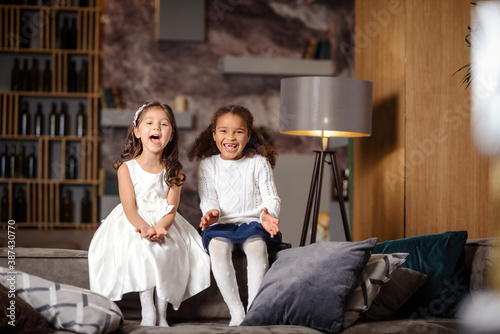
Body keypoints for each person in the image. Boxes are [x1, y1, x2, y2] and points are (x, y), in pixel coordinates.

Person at [88, 102, 210, 327]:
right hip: (133, 221)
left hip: (165, 221)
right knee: (142, 248)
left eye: (164, 124)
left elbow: (171, 209)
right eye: (150, 123)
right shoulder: (126, 168)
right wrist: (144, 228)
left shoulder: (175, 173)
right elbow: (129, 208)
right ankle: (148, 309)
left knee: (169, 249)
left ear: (171, 134)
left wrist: (162, 228)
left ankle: (162, 312)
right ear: (137, 131)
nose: (157, 127)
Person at [188, 104, 282, 326]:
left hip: (253, 223)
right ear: (213, 134)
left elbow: (271, 198)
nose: (230, 137)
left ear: (248, 135)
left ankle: (254, 309)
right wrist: (211, 213)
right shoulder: (207, 165)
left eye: (238, 131)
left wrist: (268, 215)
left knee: (257, 247)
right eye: (223, 130)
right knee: (217, 248)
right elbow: (208, 197)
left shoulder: (259, 163)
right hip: (222, 224)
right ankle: (237, 311)